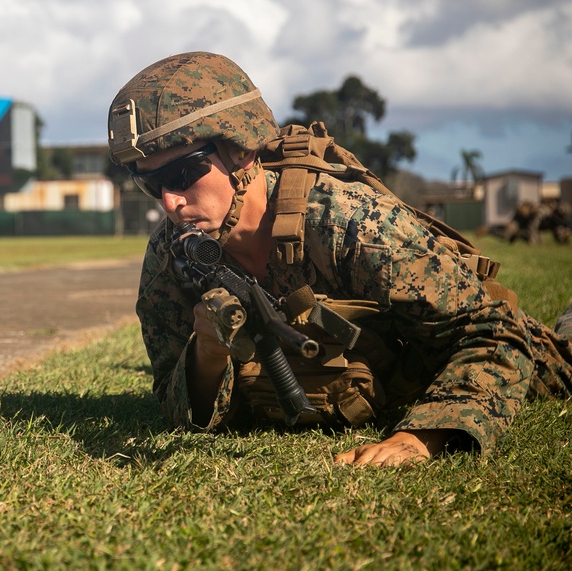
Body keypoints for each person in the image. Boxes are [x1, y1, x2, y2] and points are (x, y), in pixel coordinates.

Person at [107, 51, 572, 467]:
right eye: (149, 183)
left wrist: (421, 437)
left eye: (183, 173)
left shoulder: (346, 223)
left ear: (241, 151)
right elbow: (172, 393)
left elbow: (496, 332)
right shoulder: (173, 254)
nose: (169, 203)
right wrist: (206, 356)